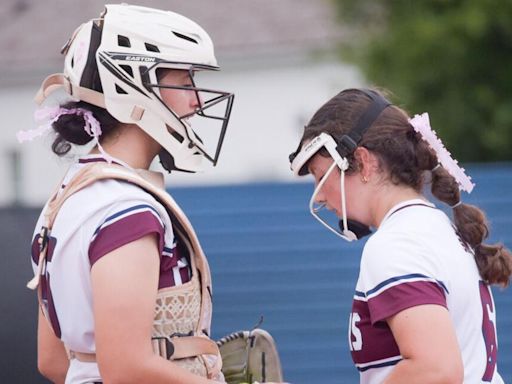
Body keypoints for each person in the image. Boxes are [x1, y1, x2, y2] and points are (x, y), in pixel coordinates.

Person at [20, 4, 235, 384]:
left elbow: (54, 361)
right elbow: (126, 367)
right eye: (184, 83)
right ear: (131, 85)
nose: (197, 101)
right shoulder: (124, 206)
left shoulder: (66, 198)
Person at [289, 88, 512, 384]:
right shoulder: (436, 227)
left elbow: (436, 370)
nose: (319, 198)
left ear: (364, 162)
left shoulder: (397, 243)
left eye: (320, 176)